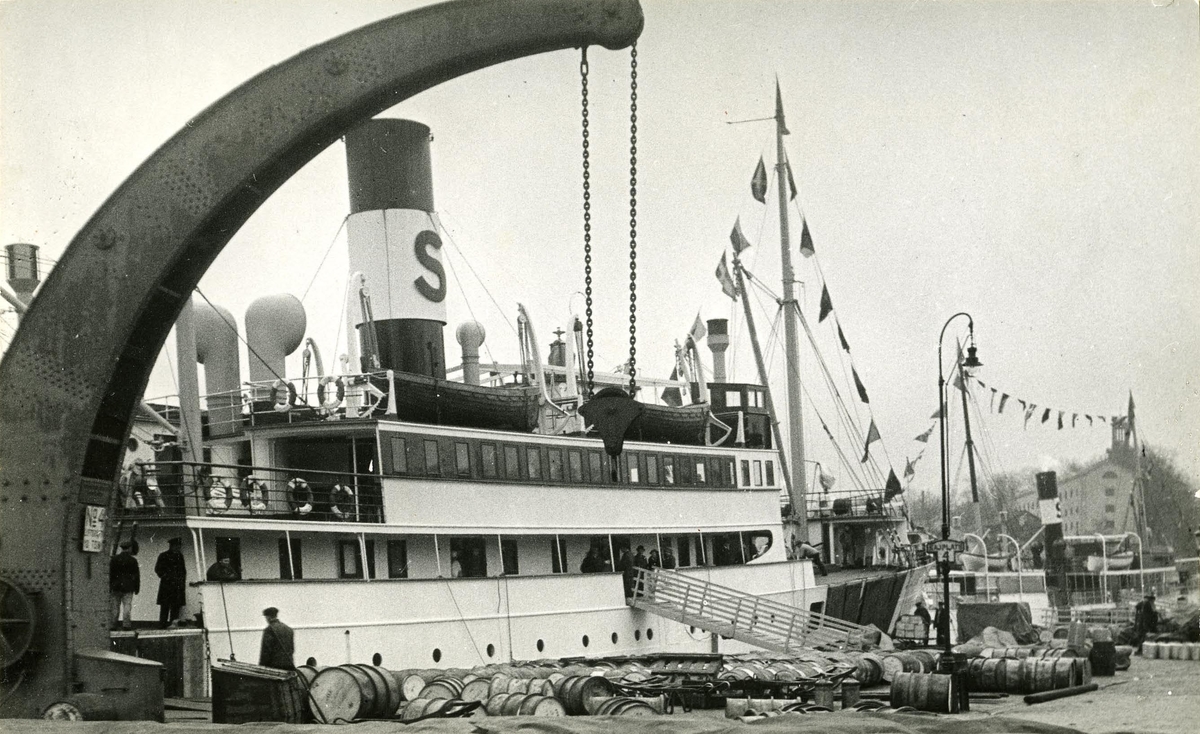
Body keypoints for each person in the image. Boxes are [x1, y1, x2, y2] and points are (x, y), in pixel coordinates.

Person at [155, 537, 187, 628]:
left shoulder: (180, 556)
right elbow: (158, 569)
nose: (178, 548)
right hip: (166, 585)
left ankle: (173, 624)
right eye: (176, 546)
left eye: (179, 546)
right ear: (172, 546)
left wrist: (182, 582)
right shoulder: (163, 555)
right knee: (165, 606)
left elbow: (183, 571)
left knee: (175, 606)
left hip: (177, 585)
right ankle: (162, 624)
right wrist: (165, 576)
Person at [110, 540, 140, 629]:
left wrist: (110, 586)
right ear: (130, 548)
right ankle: (126, 625)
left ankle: (112, 625)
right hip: (128, 587)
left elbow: (111, 573)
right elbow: (136, 575)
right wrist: (137, 587)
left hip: (116, 586)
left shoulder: (114, 559)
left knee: (115, 607)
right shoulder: (133, 560)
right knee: (127, 607)